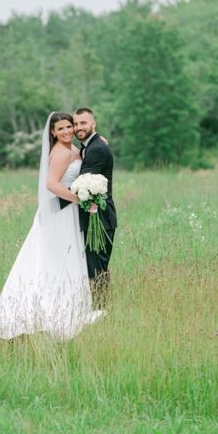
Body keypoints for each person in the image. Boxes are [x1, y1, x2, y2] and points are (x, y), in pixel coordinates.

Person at [0, 112, 104, 346]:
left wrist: (98, 142)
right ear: (52, 132)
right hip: (61, 213)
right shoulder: (61, 152)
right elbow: (51, 184)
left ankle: (69, 307)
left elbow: (85, 157)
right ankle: (49, 312)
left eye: (69, 127)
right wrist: (79, 199)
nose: (66, 131)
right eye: (61, 129)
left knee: (67, 261)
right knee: (56, 262)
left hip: (70, 213)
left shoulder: (73, 149)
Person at [72, 107, 117, 309]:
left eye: (83, 123)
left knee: (97, 271)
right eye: (76, 124)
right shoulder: (90, 146)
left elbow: (82, 184)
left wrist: (54, 198)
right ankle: (99, 311)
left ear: (93, 124)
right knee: (96, 269)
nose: (78, 127)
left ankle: (100, 312)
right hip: (94, 217)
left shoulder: (97, 148)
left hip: (99, 218)